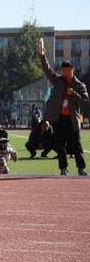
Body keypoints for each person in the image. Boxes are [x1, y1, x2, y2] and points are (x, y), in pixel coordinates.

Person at [38, 39, 89, 176]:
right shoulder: (58, 81)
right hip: (59, 119)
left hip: (72, 119)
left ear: (73, 70)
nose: (65, 72)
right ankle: (63, 168)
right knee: (60, 146)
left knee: (77, 146)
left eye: (68, 70)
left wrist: (74, 94)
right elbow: (47, 70)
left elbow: (85, 102)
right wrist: (42, 56)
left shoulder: (80, 85)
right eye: (63, 70)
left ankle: (81, 168)